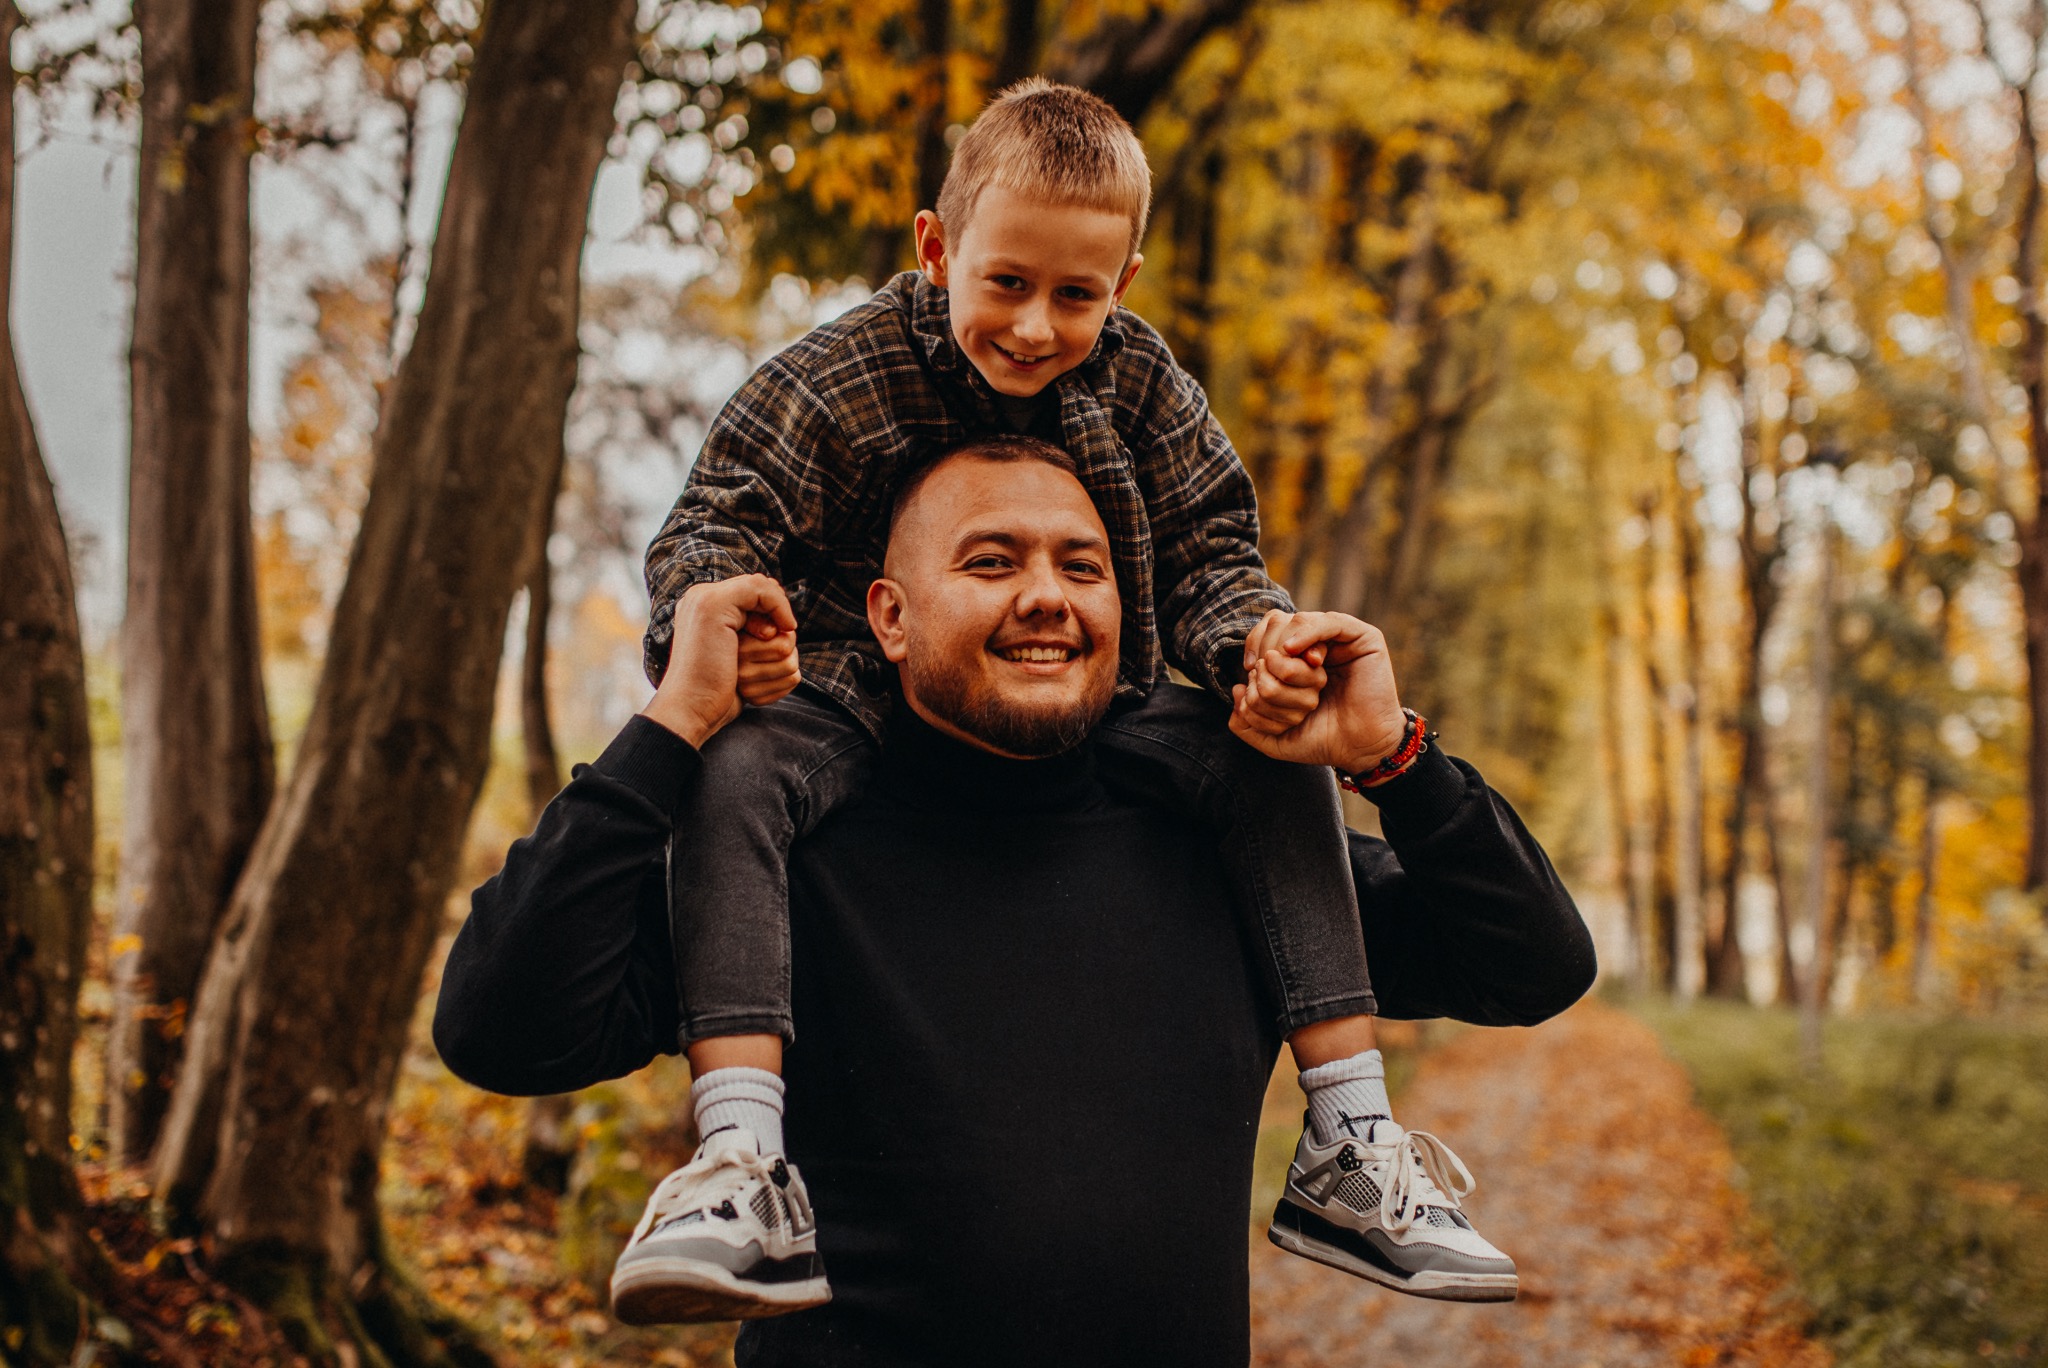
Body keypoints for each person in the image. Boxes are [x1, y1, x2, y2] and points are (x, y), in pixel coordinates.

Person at [435, 441, 1596, 1365]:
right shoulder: (784, 853)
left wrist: (1393, 757)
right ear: (888, 616)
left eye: (1079, 566)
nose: (1046, 596)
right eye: (990, 562)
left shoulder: (1229, 843)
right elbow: (499, 1026)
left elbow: (1530, 964)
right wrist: (673, 731)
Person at [626, 76, 1487, 1321]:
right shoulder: (834, 377)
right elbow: (711, 523)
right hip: (843, 697)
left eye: (1075, 295)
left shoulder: (1142, 387)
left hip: (1090, 696)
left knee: (1271, 757)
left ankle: (1351, 1142)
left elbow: (1209, 550)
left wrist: (1254, 651)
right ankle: (738, 1162)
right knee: (734, 768)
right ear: (937, 247)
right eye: (1006, 282)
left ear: (1122, 282)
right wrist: (717, 618)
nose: (1035, 326)